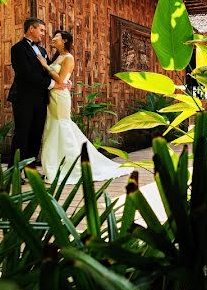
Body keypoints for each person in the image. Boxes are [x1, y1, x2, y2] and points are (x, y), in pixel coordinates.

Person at [35, 29, 133, 184]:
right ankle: (56, 165)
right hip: (52, 95)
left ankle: (73, 166)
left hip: (60, 96)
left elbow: (60, 79)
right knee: (53, 128)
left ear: (65, 40)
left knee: (62, 127)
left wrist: (45, 66)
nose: (53, 39)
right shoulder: (57, 57)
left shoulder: (68, 58)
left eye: (56, 37)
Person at [7, 17, 70, 174]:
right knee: (22, 134)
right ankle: (13, 172)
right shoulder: (17, 49)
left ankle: (30, 171)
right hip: (23, 98)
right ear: (31, 29)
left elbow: (49, 71)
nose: (43, 34)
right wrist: (52, 85)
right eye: (41, 30)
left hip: (41, 99)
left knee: (36, 134)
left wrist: (65, 81)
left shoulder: (42, 51)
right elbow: (26, 74)